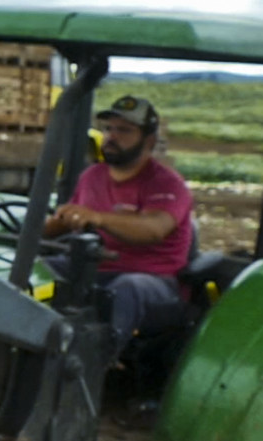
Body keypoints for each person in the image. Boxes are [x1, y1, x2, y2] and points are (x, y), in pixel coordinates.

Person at [44, 94, 194, 356]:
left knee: (126, 289)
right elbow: (68, 220)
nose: (111, 136)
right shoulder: (92, 176)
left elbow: (154, 229)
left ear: (148, 140)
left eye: (124, 130)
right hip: (94, 269)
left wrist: (99, 217)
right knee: (40, 271)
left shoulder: (167, 184)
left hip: (155, 282)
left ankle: (93, 365)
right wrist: (35, 230)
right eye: (108, 129)